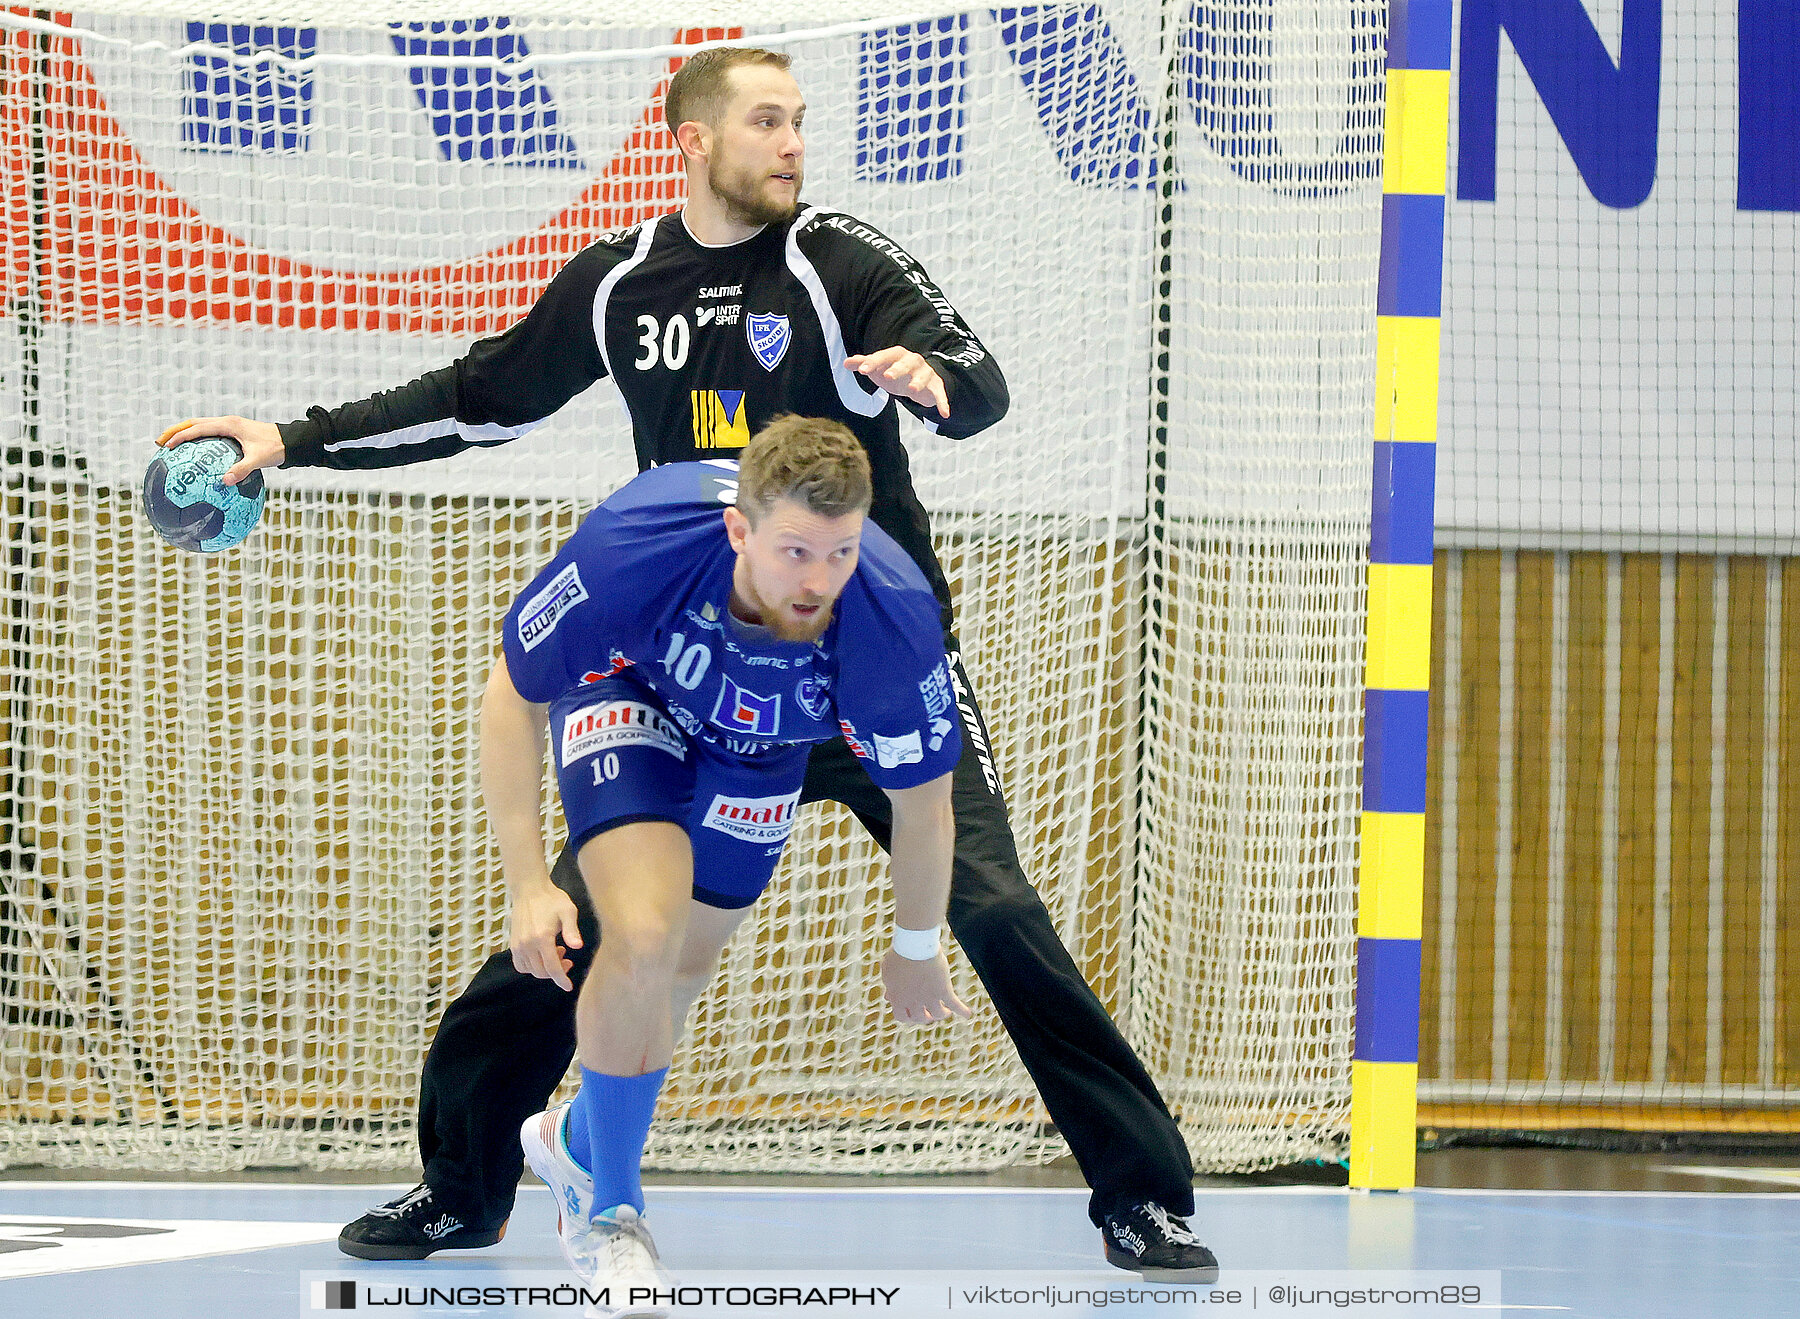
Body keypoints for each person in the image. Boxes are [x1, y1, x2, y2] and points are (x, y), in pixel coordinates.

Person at [159, 45, 1215, 1281]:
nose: (792, 144)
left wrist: (934, 382)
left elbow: (975, 383)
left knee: (992, 909)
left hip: (859, 669)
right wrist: (292, 436)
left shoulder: (836, 261)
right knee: (574, 930)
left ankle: (1142, 1198)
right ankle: (464, 1184)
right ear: (692, 138)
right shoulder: (621, 286)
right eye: (767, 122)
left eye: (800, 122)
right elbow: (481, 394)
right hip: (695, 689)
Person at [483, 418, 969, 1312]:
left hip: (760, 749)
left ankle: (573, 1139)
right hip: (634, 697)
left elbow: (924, 802)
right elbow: (514, 692)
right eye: (794, 551)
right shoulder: (638, 546)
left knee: (679, 973)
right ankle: (612, 1214)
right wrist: (528, 882)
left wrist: (915, 939)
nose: (817, 580)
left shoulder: (891, 619)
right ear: (740, 531)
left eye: (840, 552)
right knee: (641, 933)